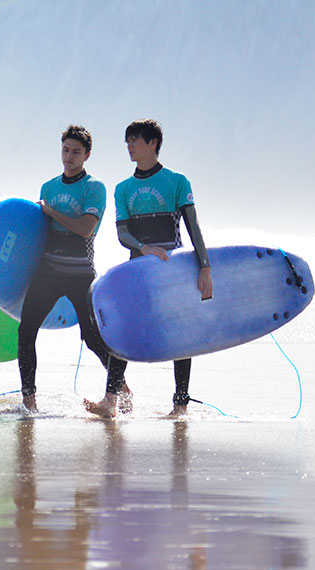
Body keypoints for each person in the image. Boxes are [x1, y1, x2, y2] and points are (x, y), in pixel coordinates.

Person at [84, 119, 212, 419]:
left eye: (135, 140)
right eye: (127, 141)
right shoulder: (123, 188)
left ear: (153, 143)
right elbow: (122, 233)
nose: (129, 146)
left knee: (180, 335)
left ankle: (180, 405)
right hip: (137, 270)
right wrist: (143, 248)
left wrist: (204, 266)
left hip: (173, 269)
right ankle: (111, 401)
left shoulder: (177, 182)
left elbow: (193, 228)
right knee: (122, 330)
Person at [18, 125, 129, 412]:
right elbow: (37, 233)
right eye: (65, 150)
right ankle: (29, 401)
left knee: (92, 338)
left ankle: (120, 387)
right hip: (48, 273)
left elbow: (85, 229)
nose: (69, 156)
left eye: (76, 152)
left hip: (80, 274)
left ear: (87, 155)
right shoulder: (49, 187)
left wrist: (53, 212)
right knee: (26, 330)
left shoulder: (94, 188)